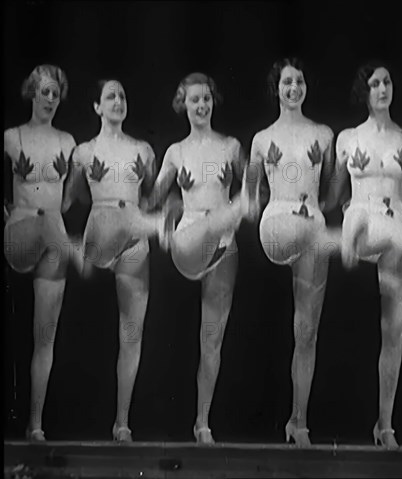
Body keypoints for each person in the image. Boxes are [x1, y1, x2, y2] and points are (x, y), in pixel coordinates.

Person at [144, 72, 250, 444]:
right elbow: (153, 198)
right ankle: (207, 222)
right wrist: (164, 203)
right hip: (189, 242)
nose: (201, 106)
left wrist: (250, 198)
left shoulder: (232, 147)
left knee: (212, 340)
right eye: (194, 100)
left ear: (213, 102)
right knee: (211, 221)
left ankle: (202, 422)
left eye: (206, 99)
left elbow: (253, 190)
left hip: (223, 250)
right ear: (183, 105)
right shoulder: (176, 151)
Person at [324, 61, 402, 448]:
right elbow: (334, 191)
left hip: (394, 222)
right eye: (375, 83)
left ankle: (385, 424)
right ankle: (354, 234)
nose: (383, 88)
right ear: (364, 92)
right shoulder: (347, 138)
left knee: (393, 333)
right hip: (359, 213)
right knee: (359, 216)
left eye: (387, 81)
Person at [246, 57, 340, 447]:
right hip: (278, 222)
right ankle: (346, 241)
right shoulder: (262, 139)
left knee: (307, 332)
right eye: (287, 82)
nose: (294, 88)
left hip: (312, 223)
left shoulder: (324, 134)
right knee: (311, 229)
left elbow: (332, 193)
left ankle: (298, 420)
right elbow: (250, 200)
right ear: (277, 88)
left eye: (299, 81)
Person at [67, 79, 165, 442]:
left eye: (122, 95)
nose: (118, 101)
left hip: (135, 239)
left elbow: (152, 196)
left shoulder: (143, 149)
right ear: (96, 107)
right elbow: (70, 199)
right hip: (103, 228)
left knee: (131, 333)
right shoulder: (84, 151)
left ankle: (122, 421)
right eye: (110, 96)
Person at [3, 64, 84, 441]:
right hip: (22, 231)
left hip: (52, 237)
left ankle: (35, 425)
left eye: (56, 94)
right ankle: (75, 250)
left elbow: (66, 200)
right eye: (45, 92)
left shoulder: (68, 142)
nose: (50, 99)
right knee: (50, 223)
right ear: (32, 93)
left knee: (44, 337)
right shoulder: (11, 136)